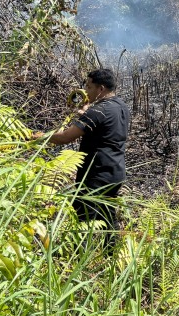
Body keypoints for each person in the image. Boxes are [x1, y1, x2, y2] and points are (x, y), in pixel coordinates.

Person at [34, 68, 130, 240]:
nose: (86, 91)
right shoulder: (121, 107)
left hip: (96, 174)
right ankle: (112, 259)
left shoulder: (97, 112)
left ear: (100, 89)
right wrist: (85, 113)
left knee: (82, 220)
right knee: (107, 217)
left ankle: (78, 261)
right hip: (115, 172)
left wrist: (41, 137)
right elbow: (105, 127)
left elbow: (65, 138)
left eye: (89, 87)